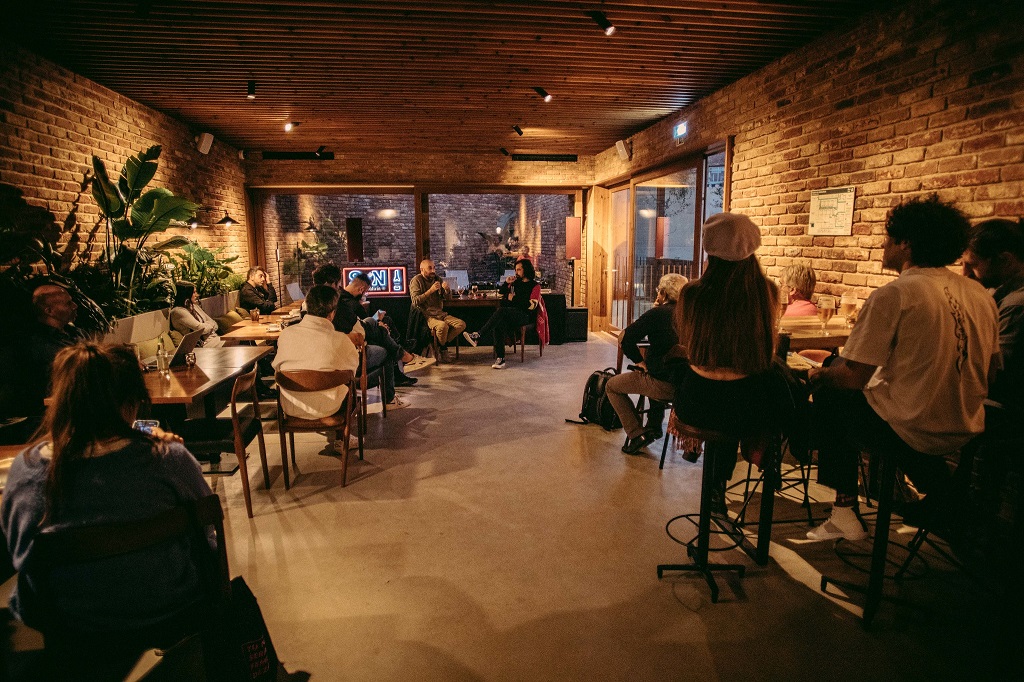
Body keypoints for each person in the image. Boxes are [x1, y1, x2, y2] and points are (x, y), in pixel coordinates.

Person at [1, 342, 215, 672]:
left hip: (69, 622)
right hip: (171, 608)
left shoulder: (27, 470)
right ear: (131, 403)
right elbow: (207, 529)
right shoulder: (168, 459)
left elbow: (21, 552)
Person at [806, 197, 999, 541]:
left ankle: (844, 512)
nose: (883, 245)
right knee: (851, 382)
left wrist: (818, 374)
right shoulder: (980, 294)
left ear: (906, 243)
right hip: (967, 428)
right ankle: (942, 493)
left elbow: (853, 377)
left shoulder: (895, 294)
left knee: (830, 393)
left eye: (888, 238)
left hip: (912, 431)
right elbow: (993, 370)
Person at [672, 212, 795, 502]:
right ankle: (767, 455)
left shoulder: (691, 294)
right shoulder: (767, 292)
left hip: (697, 403)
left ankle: (714, 488)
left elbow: (687, 345)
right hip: (749, 406)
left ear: (709, 249)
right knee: (772, 381)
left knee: (709, 383)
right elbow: (766, 351)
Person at [607, 273, 687, 454]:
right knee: (655, 369)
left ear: (664, 294)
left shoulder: (657, 314)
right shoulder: (692, 314)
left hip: (664, 385)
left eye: (659, 291)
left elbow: (625, 338)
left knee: (612, 386)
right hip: (688, 386)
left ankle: (637, 434)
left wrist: (639, 361)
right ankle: (654, 426)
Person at [962, 218, 1024, 417]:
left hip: (1006, 412)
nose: (965, 274)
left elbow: (995, 376)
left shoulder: (1017, 304)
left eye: (972, 265)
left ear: (1005, 260)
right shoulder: (999, 293)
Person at [272, 284, 360, 421]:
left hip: (291, 406)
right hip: (330, 407)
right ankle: (342, 433)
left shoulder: (286, 334)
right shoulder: (340, 339)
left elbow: (277, 368)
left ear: (307, 307)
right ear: (332, 313)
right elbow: (351, 372)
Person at [0, 283, 85, 422]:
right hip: (54, 415)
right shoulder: (32, 345)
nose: (75, 306)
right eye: (68, 303)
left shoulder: (77, 334)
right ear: (49, 311)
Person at [462, 259, 546, 369]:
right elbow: (501, 294)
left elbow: (532, 306)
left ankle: (478, 335)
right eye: (515, 270)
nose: (516, 272)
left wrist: (514, 299)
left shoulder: (535, 286)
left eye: (519, 270)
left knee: (501, 311)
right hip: (512, 314)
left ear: (526, 270)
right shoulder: (516, 283)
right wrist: (506, 282)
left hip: (526, 316)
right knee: (499, 323)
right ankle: (500, 358)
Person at [409, 258, 466, 356]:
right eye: (430, 268)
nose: (433, 271)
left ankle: (439, 346)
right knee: (443, 326)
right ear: (422, 269)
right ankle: (443, 349)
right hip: (427, 316)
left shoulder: (437, 279)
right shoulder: (416, 280)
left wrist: (447, 290)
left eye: (434, 268)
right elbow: (415, 301)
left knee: (461, 324)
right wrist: (431, 290)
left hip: (440, 314)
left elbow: (447, 298)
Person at [169, 281, 223, 348]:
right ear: (186, 294)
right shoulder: (178, 312)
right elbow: (201, 329)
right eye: (194, 292)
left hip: (214, 339)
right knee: (232, 343)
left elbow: (215, 324)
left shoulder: (194, 306)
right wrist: (208, 325)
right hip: (202, 345)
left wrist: (206, 325)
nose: (197, 295)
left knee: (233, 341)